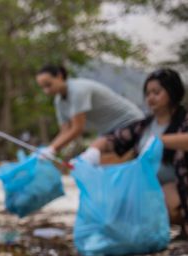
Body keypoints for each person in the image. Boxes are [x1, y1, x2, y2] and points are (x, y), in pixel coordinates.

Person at [78, 68, 188, 237]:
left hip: (177, 186)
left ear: (172, 92)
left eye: (156, 92)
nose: (151, 98)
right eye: (148, 93)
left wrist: (161, 140)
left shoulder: (184, 121)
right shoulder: (143, 126)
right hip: (147, 186)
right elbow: (113, 139)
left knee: (169, 205)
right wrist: (92, 151)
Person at [35, 64, 144, 161]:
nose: (46, 91)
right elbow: (65, 131)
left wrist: (52, 149)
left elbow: (77, 128)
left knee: (90, 157)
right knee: (90, 161)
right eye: (43, 88)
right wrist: (48, 149)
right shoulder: (59, 102)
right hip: (108, 132)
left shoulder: (77, 91)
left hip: (131, 123)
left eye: (48, 85)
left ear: (59, 76)